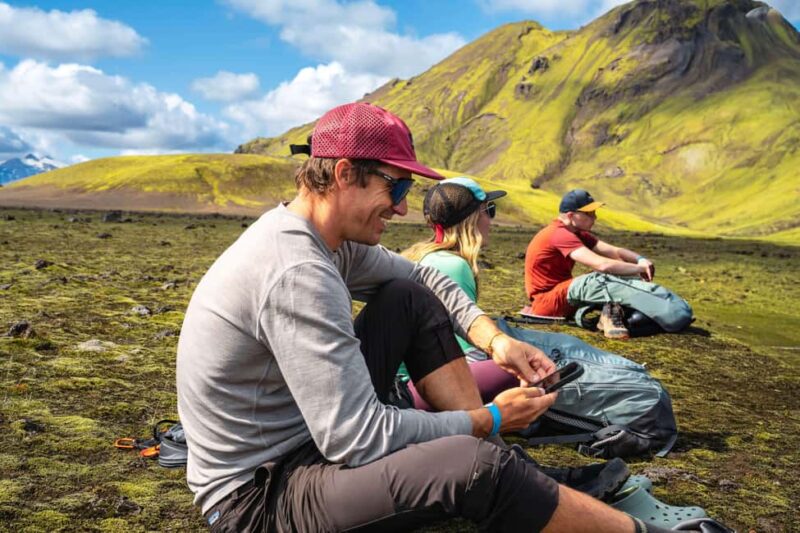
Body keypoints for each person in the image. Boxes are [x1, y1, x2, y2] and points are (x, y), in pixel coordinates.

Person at [176, 102, 662, 532]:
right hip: (260, 496)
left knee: (408, 296)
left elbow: (428, 282)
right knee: (474, 467)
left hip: (306, 440)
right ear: (345, 174)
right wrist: (488, 418)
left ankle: (511, 465)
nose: (405, 206)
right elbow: (358, 438)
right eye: (397, 184)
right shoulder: (296, 270)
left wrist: (497, 343)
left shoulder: (324, 241)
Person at [401, 176, 518, 408]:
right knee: (520, 368)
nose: (491, 221)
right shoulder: (454, 266)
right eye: (489, 210)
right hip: (412, 390)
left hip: (400, 384)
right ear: (473, 218)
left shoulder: (418, 255)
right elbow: (467, 356)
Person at [525, 189, 679, 339]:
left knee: (611, 274)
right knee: (596, 279)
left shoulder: (576, 233)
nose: (595, 217)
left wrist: (640, 260)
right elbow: (602, 264)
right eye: (589, 214)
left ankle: (616, 311)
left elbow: (614, 251)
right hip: (546, 302)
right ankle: (614, 312)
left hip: (560, 296)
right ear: (571, 215)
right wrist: (638, 269)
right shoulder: (559, 234)